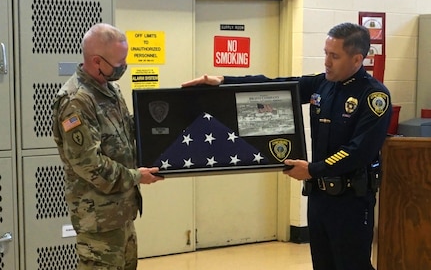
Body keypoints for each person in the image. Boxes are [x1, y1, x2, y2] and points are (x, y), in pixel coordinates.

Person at [182, 22, 391, 270]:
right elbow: (274, 85)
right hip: (319, 197)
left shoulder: (374, 96)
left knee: (351, 265)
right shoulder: (321, 84)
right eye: (325, 53)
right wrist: (225, 81)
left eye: (334, 56)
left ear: (357, 59)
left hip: (350, 200)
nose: (326, 61)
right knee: (323, 265)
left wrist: (313, 169)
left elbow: (359, 151)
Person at [52, 23, 164, 270]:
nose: (123, 67)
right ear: (96, 61)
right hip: (98, 221)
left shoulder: (109, 89)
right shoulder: (76, 101)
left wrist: (167, 124)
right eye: (118, 63)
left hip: (121, 213)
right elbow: (90, 165)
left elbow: (125, 132)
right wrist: (137, 176)